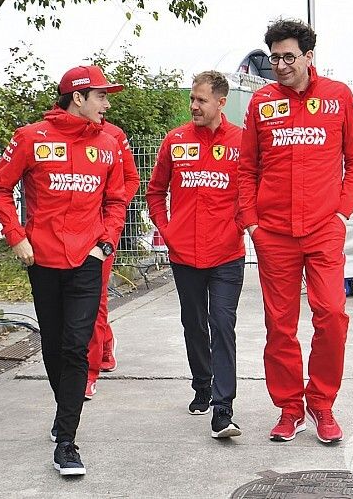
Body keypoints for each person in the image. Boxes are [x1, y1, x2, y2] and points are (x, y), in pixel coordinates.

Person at [0, 65, 127, 476]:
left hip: (87, 260)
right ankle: (64, 411)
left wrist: (106, 242)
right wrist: (16, 237)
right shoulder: (31, 137)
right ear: (78, 97)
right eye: (101, 96)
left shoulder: (108, 143)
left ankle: (67, 441)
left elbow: (116, 199)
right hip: (42, 261)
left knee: (75, 345)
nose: (106, 104)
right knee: (53, 345)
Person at [236, 19, 353, 444]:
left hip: (324, 229)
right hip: (273, 233)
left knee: (332, 314)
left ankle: (323, 404)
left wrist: (343, 214)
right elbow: (247, 167)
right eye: (274, 58)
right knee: (280, 324)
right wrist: (252, 221)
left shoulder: (338, 97)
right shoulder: (262, 102)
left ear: (309, 56)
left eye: (289, 57)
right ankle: (290, 407)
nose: (280, 65)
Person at [145, 71, 245, 439]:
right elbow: (155, 192)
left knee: (222, 324)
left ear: (221, 102)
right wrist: (167, 229)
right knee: (194, 323)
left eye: (201, 100)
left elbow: (252, 190)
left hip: (226, 254)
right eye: (192, 99)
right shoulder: (175, 141)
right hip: (184, 253)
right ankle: (201, 384)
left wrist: (239, 225)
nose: (194, 106)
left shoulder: (241, 142)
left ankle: (223, 408)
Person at [84, 120, 140, 399]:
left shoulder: (115, 134)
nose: (104, 105)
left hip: (102, 233)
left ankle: (88, 372)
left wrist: (112, 206)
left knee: (95, 298)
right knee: (80, 302)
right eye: (100, 97)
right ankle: (105, 345)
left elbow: (131, 179)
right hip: (67, 234)